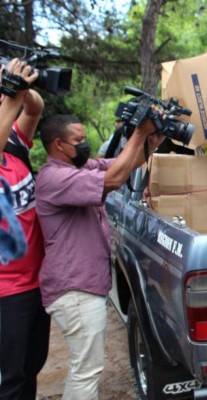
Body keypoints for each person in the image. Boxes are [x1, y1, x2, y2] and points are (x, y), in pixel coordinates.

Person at [35, 114, 164, 399]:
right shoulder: (55, 177)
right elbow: (115, 178)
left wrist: (150, 143)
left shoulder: (78, 167)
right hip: (75, 291)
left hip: (81, 287)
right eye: (78, 141)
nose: (85, 145)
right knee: (86, 372)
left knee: (84, 369)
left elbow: (122, 167)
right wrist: (139, 133)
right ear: (58, 144)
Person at [0, 59, 51, 400]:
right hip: (5, 292)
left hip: (36, 281)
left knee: (31, 367)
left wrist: (21, 88)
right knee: (11, 378)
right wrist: (10, 92)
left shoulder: (16, 143)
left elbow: (35, 109)